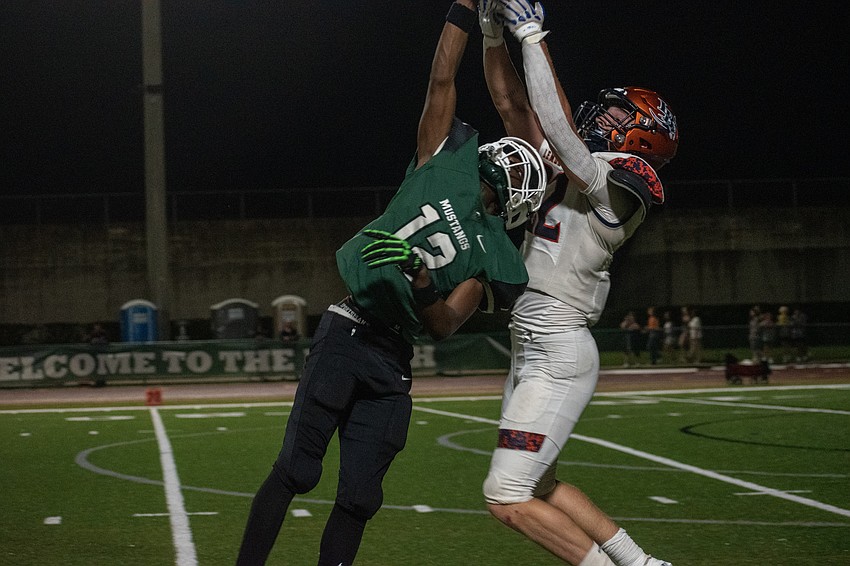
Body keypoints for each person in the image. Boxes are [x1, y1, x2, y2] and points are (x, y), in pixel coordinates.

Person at [235, 2, 547, 564]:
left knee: (359, 496)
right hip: (349, 329)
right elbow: (442, 77)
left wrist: (425, 282)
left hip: (393, 356)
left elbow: (445, 323)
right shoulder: (439, 158)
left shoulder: (493, 254)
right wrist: (465, 10)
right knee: (298, 470)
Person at [479, 1, 677, 564]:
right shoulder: (581, 165)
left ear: (642, 139)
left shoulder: (623, 179)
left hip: (557, 347)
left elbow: (563, 134)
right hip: (534, 343)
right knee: (539, 486)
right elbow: (512, 101)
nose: (605, 116)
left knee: (506, 496)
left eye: (619, 117)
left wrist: (532, 33)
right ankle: (641, 564)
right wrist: (493, 34)